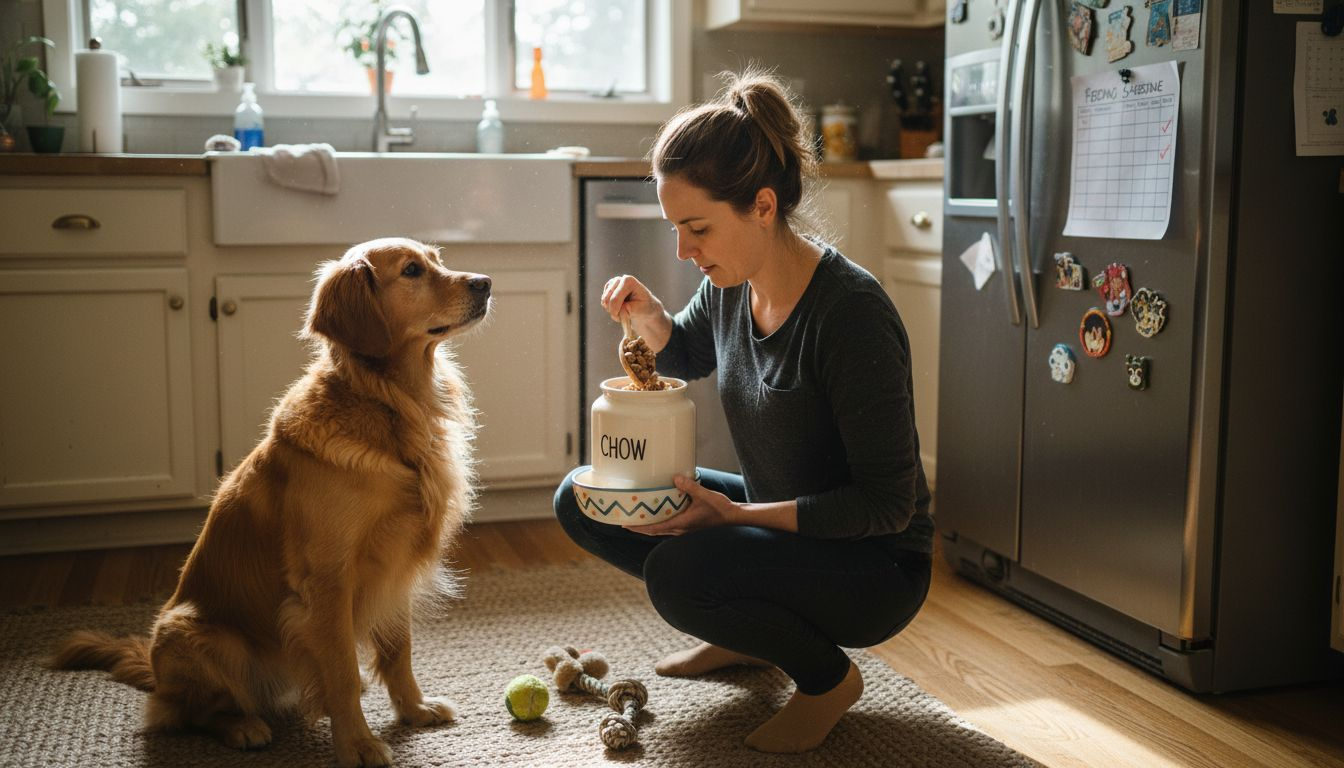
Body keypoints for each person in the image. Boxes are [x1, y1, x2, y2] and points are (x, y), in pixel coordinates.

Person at [553, 69, 934, 754]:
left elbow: (886, 507)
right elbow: (691, 353)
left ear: (762, 205)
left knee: (679, 573)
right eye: (675, 228)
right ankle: (744, 630)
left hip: (872, 565)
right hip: (783, 527)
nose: (682, 251)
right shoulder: (736, 284)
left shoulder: (851, 315)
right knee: (582, 497)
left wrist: (734, 518)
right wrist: (651, 317)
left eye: (696, 228)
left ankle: (825, 681)